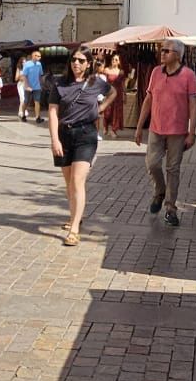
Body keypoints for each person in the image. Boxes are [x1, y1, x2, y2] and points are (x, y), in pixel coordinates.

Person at [45, 48, 113, 246]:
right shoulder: (59, 84)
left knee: (77, 181)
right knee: (69, 182)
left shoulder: (95, 82)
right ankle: (75, 215)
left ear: (88, 64)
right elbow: (52, 112)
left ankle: (74, 229)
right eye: (74, 59)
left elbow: (113, 93)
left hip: (86, 134)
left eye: (81, 60)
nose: (76, 63)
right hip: (64, 135)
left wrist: (100, 108)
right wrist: (54, 140)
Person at [134, 40, 196, 227]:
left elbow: (193, 107)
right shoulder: (156, 72)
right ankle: (160, 190)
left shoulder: (188, 75)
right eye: (161, 50)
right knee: (152, 164)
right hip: (156, 128)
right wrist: (139, 126)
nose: (162, 53)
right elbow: (148, 99)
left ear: (178, 55)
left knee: (173, 169)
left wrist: (192, 133)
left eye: (166, 51)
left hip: (177, 131)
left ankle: (170, 208)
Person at [100, 53, 125, 134]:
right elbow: (103, 81)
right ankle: (105, 126)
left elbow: (123, 84)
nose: (114, 61)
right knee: (107, 111)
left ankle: (113, 130)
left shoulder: (121, 72)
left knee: (116, 112)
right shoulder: (106, 70)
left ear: (119, 62)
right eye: (113, 59)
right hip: (109, 93)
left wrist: (124, 95)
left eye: (116, 60)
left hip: (118, 94)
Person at [20, 51, 45, 122]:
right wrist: (27, 86)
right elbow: (24, 76)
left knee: (37, 101)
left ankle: (37, 117)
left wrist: (41, 85)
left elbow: (40, 75)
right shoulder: (27, 64)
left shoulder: (39, 64)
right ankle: (23, 115)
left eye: (40, 56)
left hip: (37, 86)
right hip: (28, 86)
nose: (39, 57)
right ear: (33, 56)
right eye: (38, 56)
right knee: (26, 101)